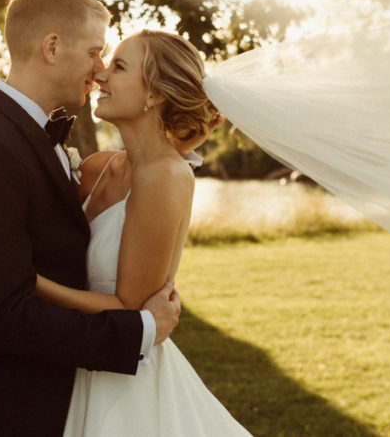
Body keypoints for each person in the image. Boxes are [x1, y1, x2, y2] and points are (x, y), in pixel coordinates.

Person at [0, 0, 182, 436]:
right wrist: (140, 331)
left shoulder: (35, 138)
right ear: (52, 47)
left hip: (61, 402)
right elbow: (6, 316)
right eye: (94, 51)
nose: (100, 67)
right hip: (11, 413)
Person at [33, 29, 252, 436]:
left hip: (123, 383)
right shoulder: (98, 167)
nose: (100, 75)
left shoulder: (165, 176)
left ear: (155, 94)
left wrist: (24, 283)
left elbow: (129, 307)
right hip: (74, 362)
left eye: (119, 66)